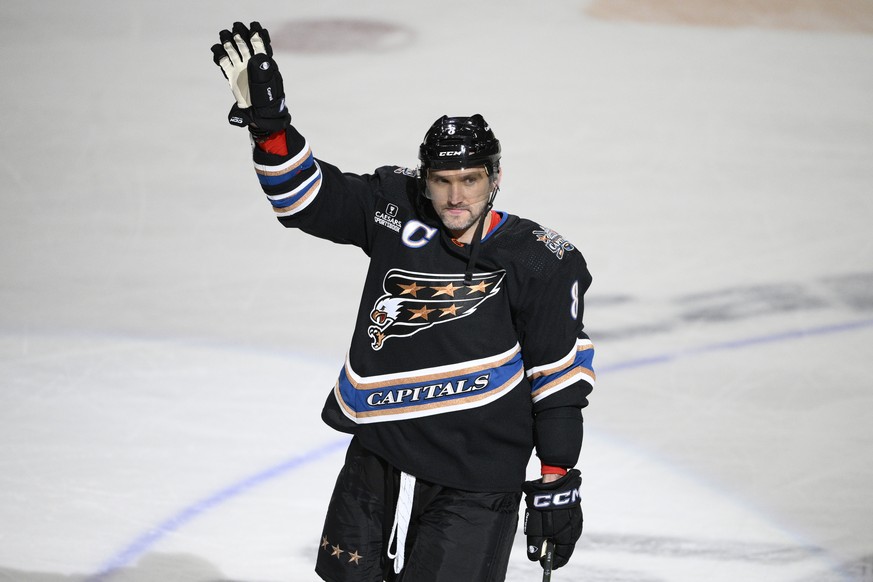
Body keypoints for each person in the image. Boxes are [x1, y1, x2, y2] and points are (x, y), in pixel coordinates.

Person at [211, 21, 596, 582]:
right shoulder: (396, 206)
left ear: (495, 177)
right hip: (382, 450)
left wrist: (558, 479)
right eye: (442, 180)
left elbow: (556, 378)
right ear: (426, 177)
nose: (455, 196)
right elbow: (305, 199)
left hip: (476, 471)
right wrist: (271, 127)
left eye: (470, 179)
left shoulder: (541, 259)